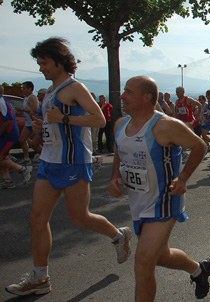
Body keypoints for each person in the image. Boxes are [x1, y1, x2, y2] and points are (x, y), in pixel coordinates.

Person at [6, 38, 131, 296]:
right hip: (50, 161)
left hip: (73, 161)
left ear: (60, 61)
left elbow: (98, 119)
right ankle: (41, 278)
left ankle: (119, 236)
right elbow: (57, 124)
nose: (41, 68)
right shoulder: (51, 91)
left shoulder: (74, 87)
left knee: (80, 217)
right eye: (39, 63)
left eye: (44, 62)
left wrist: (63, 117)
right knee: (37, 218)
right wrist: (44, 126)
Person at [108, 76, 210, 301]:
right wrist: (115, 174)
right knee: (160, 256)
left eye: (128, 92)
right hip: (138, 203)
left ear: (146, 97)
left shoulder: (164, 125)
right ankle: (198, 270)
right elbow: (119, 150)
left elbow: (199, 145)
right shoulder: (120, 125)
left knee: (143, 262)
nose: (122, 96)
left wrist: (183, 178)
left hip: (164, 201)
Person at [0, 85, 32, 188]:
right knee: (3, 156)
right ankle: (7, 181)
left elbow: (8, 121)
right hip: (6, 134)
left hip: (9, 134)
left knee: (1, 157)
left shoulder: (1, 103)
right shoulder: (3, 101)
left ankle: (23, 169)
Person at [15, 81, 39, 165]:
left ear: (30, 88)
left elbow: (35, 110)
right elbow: (28, 111)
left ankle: (42, 155)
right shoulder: (25, 98)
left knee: (34, 142)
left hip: (33, 122)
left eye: (24, 88)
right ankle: (27, 158)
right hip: (28, 122)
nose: (23, 90)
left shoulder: (32, 97)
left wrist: (22, 109)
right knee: (22, 139)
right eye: (22, 88)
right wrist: (21, 113)